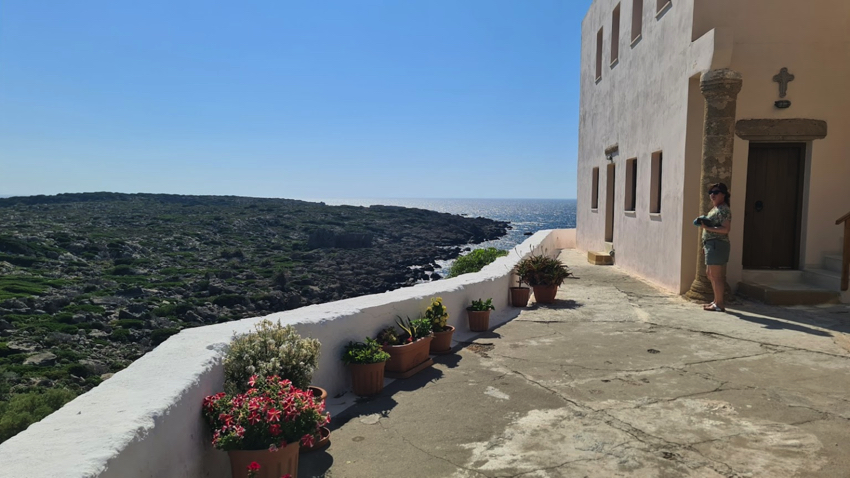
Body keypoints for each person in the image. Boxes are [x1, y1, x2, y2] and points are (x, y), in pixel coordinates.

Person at [699, 183, 731, 312]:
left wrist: (707, 228)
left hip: (718, 244)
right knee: (710, 274)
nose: (712, 195)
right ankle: (716, 301)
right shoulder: (715, 209)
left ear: (723, 194)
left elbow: (726, 229)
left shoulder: (724, 210)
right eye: (711, 192)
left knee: (716, 276)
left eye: (716, 192)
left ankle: (720, 304)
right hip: (711, 244)